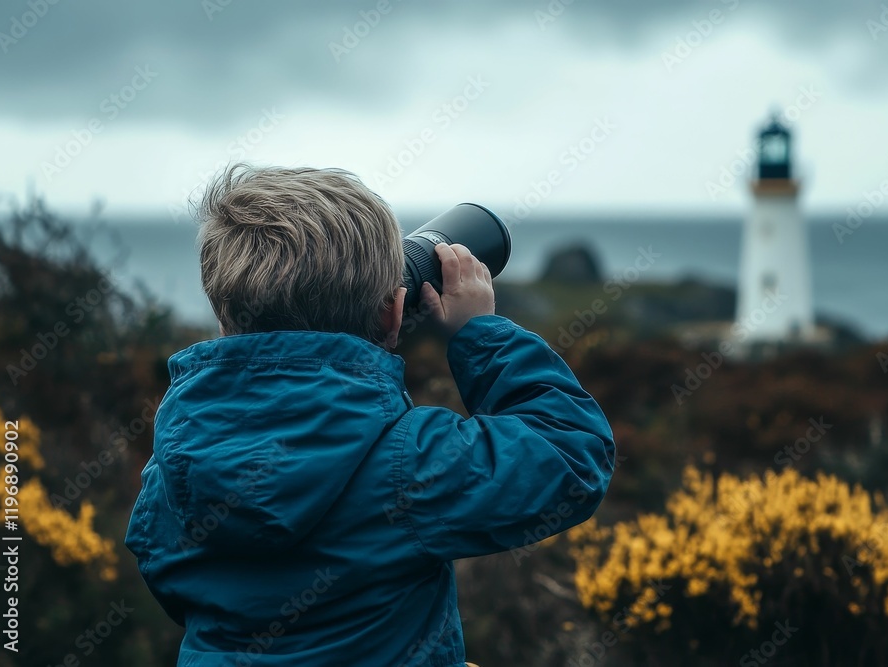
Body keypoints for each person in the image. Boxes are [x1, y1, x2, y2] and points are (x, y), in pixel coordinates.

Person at [125, 164, 616, 666]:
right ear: (393, 313)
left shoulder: (174, 465)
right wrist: (480, 333)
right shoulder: (409, 463)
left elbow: (168, 577)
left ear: (226, 308)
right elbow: (571, 451)